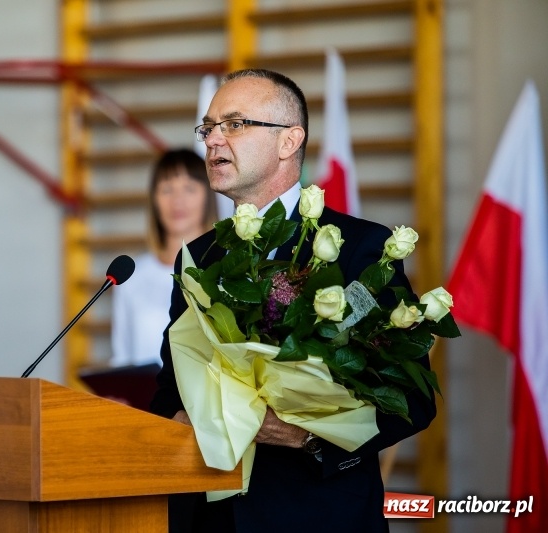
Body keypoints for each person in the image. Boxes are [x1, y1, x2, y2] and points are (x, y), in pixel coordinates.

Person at [150, 69, 437, 532]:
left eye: (235, 124)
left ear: (289, 141)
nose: (213, 141)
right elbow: (169, 387)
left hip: (317, 514)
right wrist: (181, 417)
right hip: (210, 517)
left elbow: (412, 398)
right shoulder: (198, 258)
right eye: (208, 128)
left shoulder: (359, 248)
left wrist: (308, 438)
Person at [110, 148, 218, 367]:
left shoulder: (227, 269)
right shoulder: (132, 276)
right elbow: (121, 360)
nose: (178, 200)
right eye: (167, 189)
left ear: (208, 196)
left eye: (189, 188)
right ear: (154, 200)